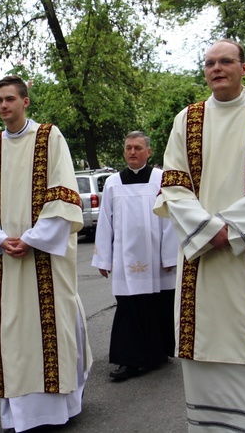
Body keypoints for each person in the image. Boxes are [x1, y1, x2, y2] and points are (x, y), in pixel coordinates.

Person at [154, 39, 245, 431]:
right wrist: (207, 229)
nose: (216, 68)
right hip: (201, 262)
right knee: (202, 352)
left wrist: (230, 230)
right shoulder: (188, 119)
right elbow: (173, 184)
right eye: (209, 63)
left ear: (244, 68)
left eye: (225, 61)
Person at [0, 75, 92, 432]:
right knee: (12, 330)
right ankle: (21, 413)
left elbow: (63, 192)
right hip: (8, 260)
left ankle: (58, 408)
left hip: (45, 259)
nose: (3, 106)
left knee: (52, 327)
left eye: (9, 99)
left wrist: (34, 238)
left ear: (26, 101)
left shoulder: (49, 137)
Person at [92, 132, 177, 381]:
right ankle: (128, 360)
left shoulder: (162, 179)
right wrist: (103, 259)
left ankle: (157, 354)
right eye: (128, 148)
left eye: (138, 148)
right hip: (124, 259)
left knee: (156, 307)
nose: (132, 152)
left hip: (156, 258)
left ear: (149, 152)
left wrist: (170, 256)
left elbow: (171, 219)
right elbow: (105, 223)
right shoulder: (112, 183)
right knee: (128, 309)